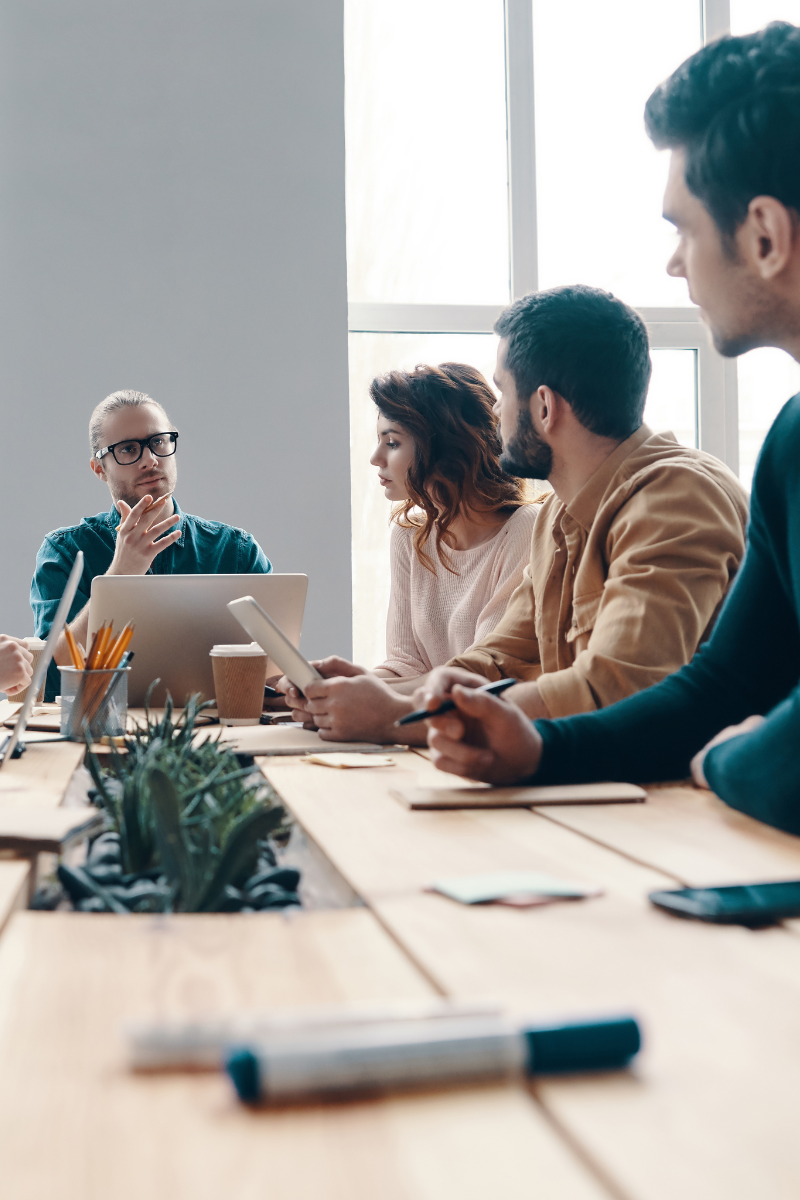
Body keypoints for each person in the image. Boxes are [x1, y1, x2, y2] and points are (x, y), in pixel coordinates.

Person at [423, 22, 800, 838]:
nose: (675, 263)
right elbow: (723, 686)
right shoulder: (792, 440)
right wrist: (537, 751)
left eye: (683, 229)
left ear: (766, 236)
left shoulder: (681, 491)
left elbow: (753, 741)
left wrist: (730, 759)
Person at [283, 286, 748, 744]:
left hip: (681, 784)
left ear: (544, 407)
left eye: (502, 391)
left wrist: (395, 717)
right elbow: (496, 662)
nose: (496, 410)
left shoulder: (676, 497)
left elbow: (618, 689)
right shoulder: (558, 515)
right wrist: (370, 692)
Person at [282, 362, 536, 719]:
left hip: (486, 728)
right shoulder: (409, 536)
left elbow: (485, 674)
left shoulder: (526, 528)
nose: (376, 458)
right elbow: (405, 664)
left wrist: (358, 694)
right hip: (423, 728)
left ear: (446, 446)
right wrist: (336, 687)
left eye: (392, 442)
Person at [31, 390, 271, 700]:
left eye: (158, 442)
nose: (150, 460)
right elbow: (51, 674)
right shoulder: (65, 551)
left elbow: (274, 665)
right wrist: (120, 574)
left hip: (220, 723)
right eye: (128, 449)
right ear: (99, 468)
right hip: (102, 723)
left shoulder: (236, 550)